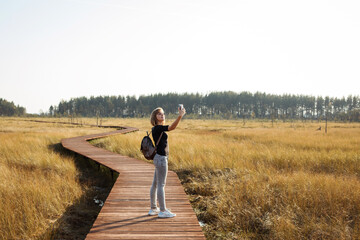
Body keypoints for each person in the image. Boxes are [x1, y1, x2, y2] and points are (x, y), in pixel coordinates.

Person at [148, 106, 186, 218]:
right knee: (161, 184)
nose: (162, 115)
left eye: (163, 113)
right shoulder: (158, 128)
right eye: (159, 114)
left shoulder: (156, 128)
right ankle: (163, 210)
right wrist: (180, 116)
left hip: (158, 158)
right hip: (161, 159)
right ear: (155, 117)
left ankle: (153, 208)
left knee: (155, 183)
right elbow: (172, 127)